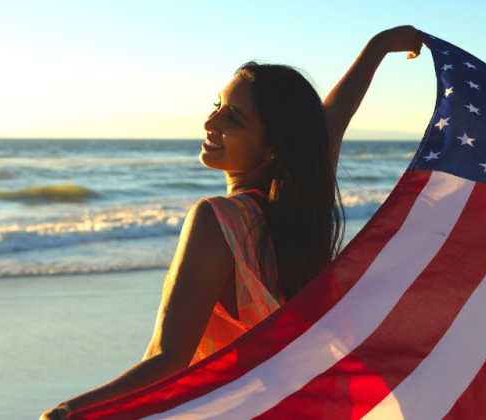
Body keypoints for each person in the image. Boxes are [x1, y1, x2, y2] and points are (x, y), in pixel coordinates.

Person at [39, 24, 423, 420]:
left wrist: (71, 410)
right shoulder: (305, 210)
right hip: (315, 404)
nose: (211, 122)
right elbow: (332, 118)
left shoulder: (217, 220)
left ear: (273, 146)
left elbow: (167, 359)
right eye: (217, 105)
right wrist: (378, 48)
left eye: (233, 118)